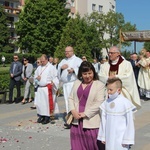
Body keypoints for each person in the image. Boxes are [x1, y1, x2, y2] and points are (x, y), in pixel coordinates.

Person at [68, 61, 105, 150]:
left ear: (93, 72)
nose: (88, 76)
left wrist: (85, 114)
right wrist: (73, 111)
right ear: (81, 74)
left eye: (90, 73)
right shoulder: (77, 83)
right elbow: (70, 98)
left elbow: (99, 102)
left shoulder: (99, 85)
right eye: (85, 74)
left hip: (91, 121)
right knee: (77, 146)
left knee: (93, 146)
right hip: (76, 121)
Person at [97, 77, 136, 150]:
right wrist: (103, 136)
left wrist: (127, 139)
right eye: (107, 89)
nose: (108, 92)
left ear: (119, 90)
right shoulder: (106, 103)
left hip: (121, 138)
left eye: (111, 90)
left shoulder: (125, 103)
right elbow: (103, 120)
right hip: (109, 136)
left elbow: (130, 123)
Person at [34, 54, 59, 124]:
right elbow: (35, 76)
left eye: (43, 61)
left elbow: (55, 77)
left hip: (47, 88)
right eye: (41, 61)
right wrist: (36, 78)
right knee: (40, 103)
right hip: (40, 88)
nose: (42, 63)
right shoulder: (39, 68)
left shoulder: (51, 67)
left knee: (46, 104)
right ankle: (41, 115)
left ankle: (47, 117)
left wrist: (54, 83)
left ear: (47, 60)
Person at [57, 46, 82, 114]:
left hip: (74, 83)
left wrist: (74, 70)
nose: (66, 53)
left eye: (67, 51)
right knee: (67, 100)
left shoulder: (78, 60)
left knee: (74, 100)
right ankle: (69, 116)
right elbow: (58, 71)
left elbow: (82, 69)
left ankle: (76, 116)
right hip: (66, 84)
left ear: (72, 51)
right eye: (65, 51)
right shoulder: (63, 60)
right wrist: (61, 68)